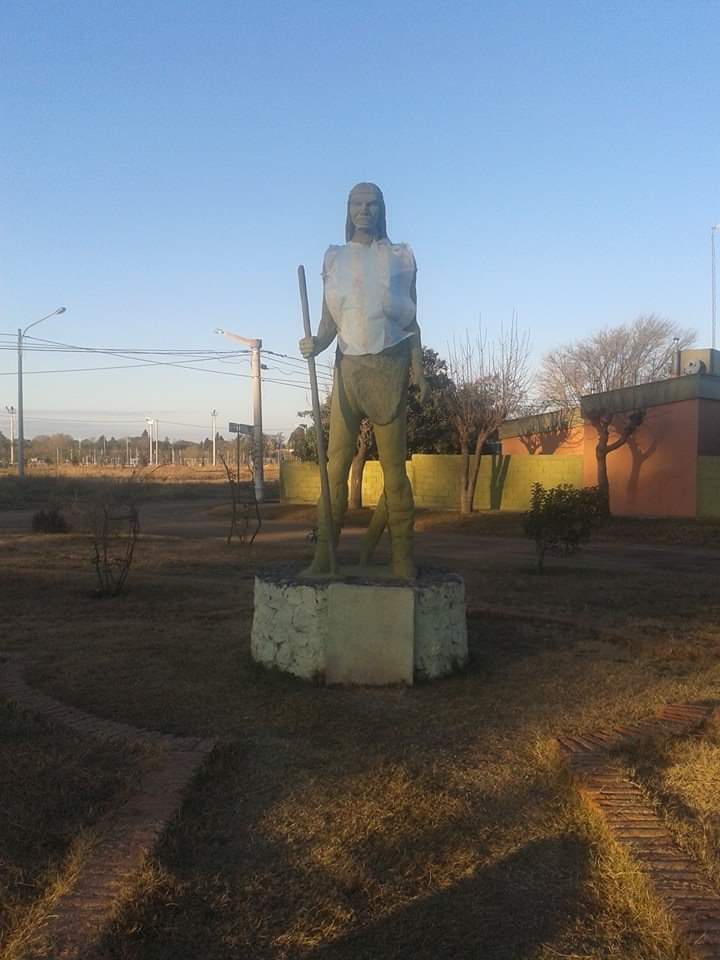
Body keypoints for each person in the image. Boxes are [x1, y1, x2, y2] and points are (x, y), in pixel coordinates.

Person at [299, 182, 428, 578]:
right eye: (357, 203)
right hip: (347, 372)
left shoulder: (401, 257)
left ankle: (402, 558)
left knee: (394, 471)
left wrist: (419, 371)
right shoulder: (334, 260)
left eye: (372, 204)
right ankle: (324, 556)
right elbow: (328, 325)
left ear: (382, 209)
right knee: (334, 468)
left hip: (389, 369)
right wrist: (314, 344)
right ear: (349, 209)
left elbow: (412, 322)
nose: (364, 210)